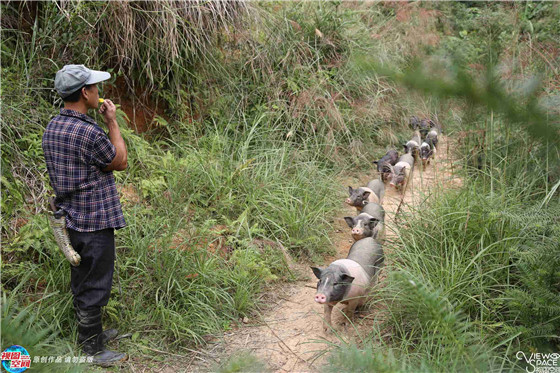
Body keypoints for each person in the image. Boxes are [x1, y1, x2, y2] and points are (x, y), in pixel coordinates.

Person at [42, 64, 128, 366]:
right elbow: (119, 161)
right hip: (95, 219)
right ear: (84, 93)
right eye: (93, 87)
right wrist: (112, 122)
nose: (97, 91)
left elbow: (90, 164)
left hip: (70, 219)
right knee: (96, 282)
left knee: (83, 276)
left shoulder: (53, 127)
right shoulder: (89, 131)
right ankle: (93, 350)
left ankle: (92, 335)